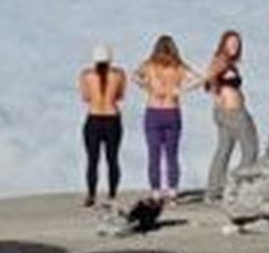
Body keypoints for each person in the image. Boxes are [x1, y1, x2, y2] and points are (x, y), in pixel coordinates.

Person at [134, 35, 203, 203]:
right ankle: (172, 191)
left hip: (154, 111)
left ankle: (156, 191)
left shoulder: (149, 65)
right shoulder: (178, 66)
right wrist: (180, 90)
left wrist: (148, 87)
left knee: (154, 154)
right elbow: (200, 79)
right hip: (172, 111)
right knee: (171, 154)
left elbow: (135, 77)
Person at [204, 30, 259, 202]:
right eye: (230, 42)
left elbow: (211, 79)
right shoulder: (221, 60)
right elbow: (209, 79)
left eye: (237, 43)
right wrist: (217, 93)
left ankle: (214, 190)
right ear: (223, 43)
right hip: (234, 113)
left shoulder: (226, 62)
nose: (234, 46)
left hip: (224, 113)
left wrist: (217, 92)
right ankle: (238, 187)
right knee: (251, 149)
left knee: (224, 150)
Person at [78, 43, 126, 207]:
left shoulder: (86, 75)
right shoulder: (119, 75)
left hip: (94, 119)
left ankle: (91, 195)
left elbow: (85, 97)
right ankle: (112, 194)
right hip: (112, 118)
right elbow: (120, 95)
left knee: (92, 160)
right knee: (112, 159)